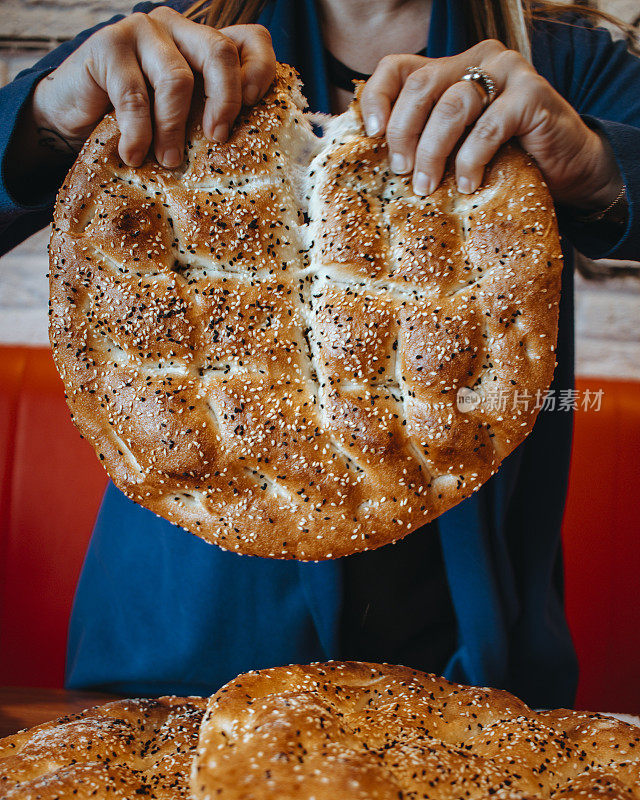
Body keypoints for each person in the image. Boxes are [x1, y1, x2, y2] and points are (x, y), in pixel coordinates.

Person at [0, 0, 638, 706]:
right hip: (182, 646)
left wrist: (592, 161)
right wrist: (49, 117)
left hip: (463, 657)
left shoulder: (562, 55)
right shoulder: (170, 40)